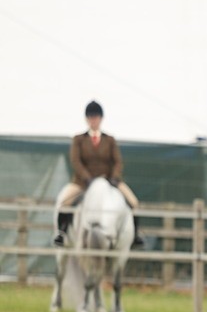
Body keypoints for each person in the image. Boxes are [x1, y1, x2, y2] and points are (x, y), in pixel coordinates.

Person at [54, 101, 143, 248]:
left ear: (101, 119)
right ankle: (62, 233)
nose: (93, 121)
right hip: (83, 182)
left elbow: (118, 161)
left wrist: (114, 177)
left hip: (108, 180)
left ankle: (135, 235)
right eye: (90, 118)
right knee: (64, 203)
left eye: (95, 117)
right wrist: (87, 178)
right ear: (86, 119)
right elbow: (76, 161)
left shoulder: (110, 140)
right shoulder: (79, 139)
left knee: (134, 202)